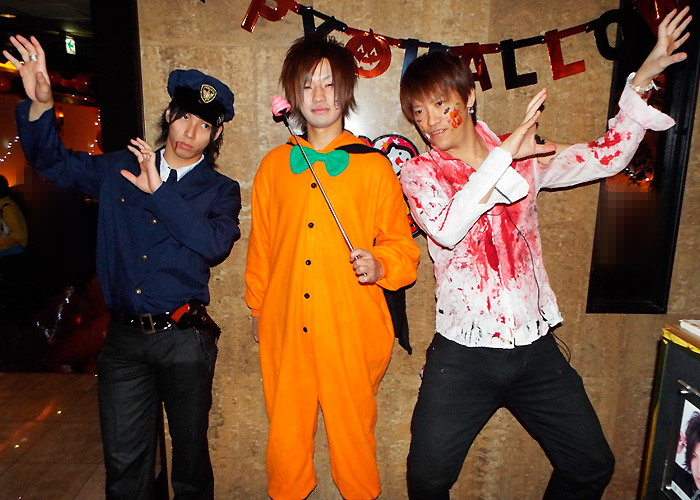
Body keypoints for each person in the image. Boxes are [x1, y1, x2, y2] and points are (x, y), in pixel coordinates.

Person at [397, 7, 691, 500]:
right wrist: (503, 156)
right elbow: (447, 229)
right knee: (426, 481)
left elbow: (607, 156)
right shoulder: (420, 173)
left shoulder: (525, 157)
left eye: (440, 104)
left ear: (469, 98)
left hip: (533, 351)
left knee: (591, 466)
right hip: (463, 356)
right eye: (418, 112)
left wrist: (643, 76)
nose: (430, 121)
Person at [5, 35, 241, 500]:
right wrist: (42, 105)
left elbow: (214, 245)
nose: (189, 132)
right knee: (124, 464)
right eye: (184, 116)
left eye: (204, 125)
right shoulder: (118, 169)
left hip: (184, 340)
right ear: (169, 114)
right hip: (123, 344)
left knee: (190, 460)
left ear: (215, 135)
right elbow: (53, 163)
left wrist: (160, 194)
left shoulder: (221, 190)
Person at [245, 34, 420, 500]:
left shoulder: (374, 167)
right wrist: (258, 308)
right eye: (307, 84)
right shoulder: (273, 167)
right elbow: (262, 247)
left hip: (351, 326)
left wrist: (380, 265)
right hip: (285, 324)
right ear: (292, 95)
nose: (319, 95)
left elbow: (403, 250)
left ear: (347, 90)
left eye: (329, 83)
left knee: (354, 440)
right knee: (285, 442)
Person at [0, 174, 28, 258]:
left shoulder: (7, 208)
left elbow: (17, 235)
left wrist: (1, 245)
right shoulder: (4, 206)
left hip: (16, 247)